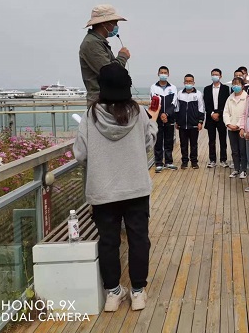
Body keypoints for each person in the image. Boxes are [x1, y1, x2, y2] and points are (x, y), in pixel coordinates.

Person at [73, 63, 158, 312]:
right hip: (135, 187)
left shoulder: (91, 115)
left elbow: (80, 154)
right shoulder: (138, 112)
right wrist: (153, 121)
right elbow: (148, 143)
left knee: (108, 241)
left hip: (102, 190)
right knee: (138, 239)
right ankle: (138, 291)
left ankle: (112, 293)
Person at [79, 4, 131, 106]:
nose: (116, 26)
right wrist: (122, 56)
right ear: (105, 24)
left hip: (107, 101)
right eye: (115, 23)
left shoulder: (97, 42)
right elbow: (111, 74)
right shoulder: (92, 43)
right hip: (101, 102)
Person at [150, 66, 178, 173]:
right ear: (158, 74)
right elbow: (154, 102)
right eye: (161, 72)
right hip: (158, 118)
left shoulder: (173, 88)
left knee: (169, 140)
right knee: (158, 141)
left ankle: (169, 162)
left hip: (169, 118)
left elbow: (174, 103)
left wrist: (166, 114)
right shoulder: (153, 87)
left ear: (168, 74)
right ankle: (158, 163)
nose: (163, 74)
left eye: (165, 72)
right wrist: (161, 114)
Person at [175, 74, 205, 170]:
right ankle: (184, 162)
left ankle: (194, 162)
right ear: (184, 82)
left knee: (194, 144)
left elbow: (201, 108)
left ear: (193, 82)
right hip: (182, 124)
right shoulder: (180, 93)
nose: (188, 83)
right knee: (183, 144)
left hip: (194, 124)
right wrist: (177, 121)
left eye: (190, 81)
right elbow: (177, 108)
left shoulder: (198, 94)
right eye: (186, 81)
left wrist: (200, 121)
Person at [203, 69, 230, 168]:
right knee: (211, 140)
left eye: (216, 74)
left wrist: (218, 113)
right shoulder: (206, 89)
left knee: (223, 140)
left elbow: (226, 103)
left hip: (221, 117)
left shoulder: (226, 88)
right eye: (213, 74)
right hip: (210, 117)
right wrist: (212, 113)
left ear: (220, 76)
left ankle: (223, 159)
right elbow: (206, 103)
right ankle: (212, 160)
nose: (215, 76)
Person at [224, 77, 248, 179]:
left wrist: (238, 125)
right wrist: (228, 124)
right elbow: (226, 112)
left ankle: (243, 170)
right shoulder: (229, 98)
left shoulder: (246, 97)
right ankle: (236, 169)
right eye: (234, 84)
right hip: (231, 128)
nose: (235, 86)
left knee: (243, 150)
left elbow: (245, 113)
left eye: (238, 84)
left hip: (242, 128)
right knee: (234, 150)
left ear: (242, 86)